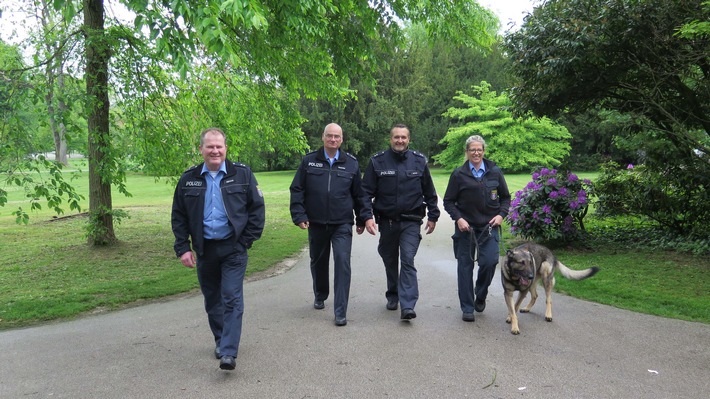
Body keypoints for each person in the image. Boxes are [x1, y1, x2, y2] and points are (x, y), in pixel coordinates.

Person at [171, 127, 265, 371]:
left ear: (225, 149)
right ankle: (221, 340)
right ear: (201, 149)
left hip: (233, 248)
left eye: (219, 146)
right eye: (210, 146)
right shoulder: (188, 178)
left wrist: (245, 242)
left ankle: (228, 352)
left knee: (231, 297)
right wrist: (183, 248)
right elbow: (179, 216)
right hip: (204, 250)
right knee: (213, 300)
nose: (215, 150)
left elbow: (257, 211)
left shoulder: (242, 174)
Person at [289, 123, 372, 327]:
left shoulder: (351, 163)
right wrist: (299, 214)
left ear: (342, 139)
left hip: (342, 223)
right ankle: (320, 293)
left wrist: (362, 219)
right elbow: (297, 189)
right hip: (316, 222)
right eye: (329, 136)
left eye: (337, 136)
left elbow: (359, 195)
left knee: (343, 263)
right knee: (318, 262)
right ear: (323, 137)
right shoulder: (309, 162)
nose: (333, 139)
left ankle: (340, 310)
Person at [360, 124, 440, 320]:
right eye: (396, 137)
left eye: (403, 137)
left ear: (409, 139)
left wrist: (433, 215)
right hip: (386, 222)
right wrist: (367, 217)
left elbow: (429, 192)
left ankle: (408, 305)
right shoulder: (377, 162)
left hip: (411, 221)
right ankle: (393, 293)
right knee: (389, 259)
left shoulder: (419, 162)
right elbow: (365, 193)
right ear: (390, 139)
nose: (400, 140)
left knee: (407, 259)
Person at [442, 135, 510, 322]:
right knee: (465, 266)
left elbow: (505, 198)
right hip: (466, 228)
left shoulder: (495, 171)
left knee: (489, 262)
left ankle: (480, 294)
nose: (476, 152)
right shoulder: (459, 174)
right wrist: (459, 219)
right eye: (472, 149)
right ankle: (467, 308)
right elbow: (448, 201)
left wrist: (501, 215)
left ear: (483, 151)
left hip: (489, 227)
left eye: (479, 149)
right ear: (467, 152)